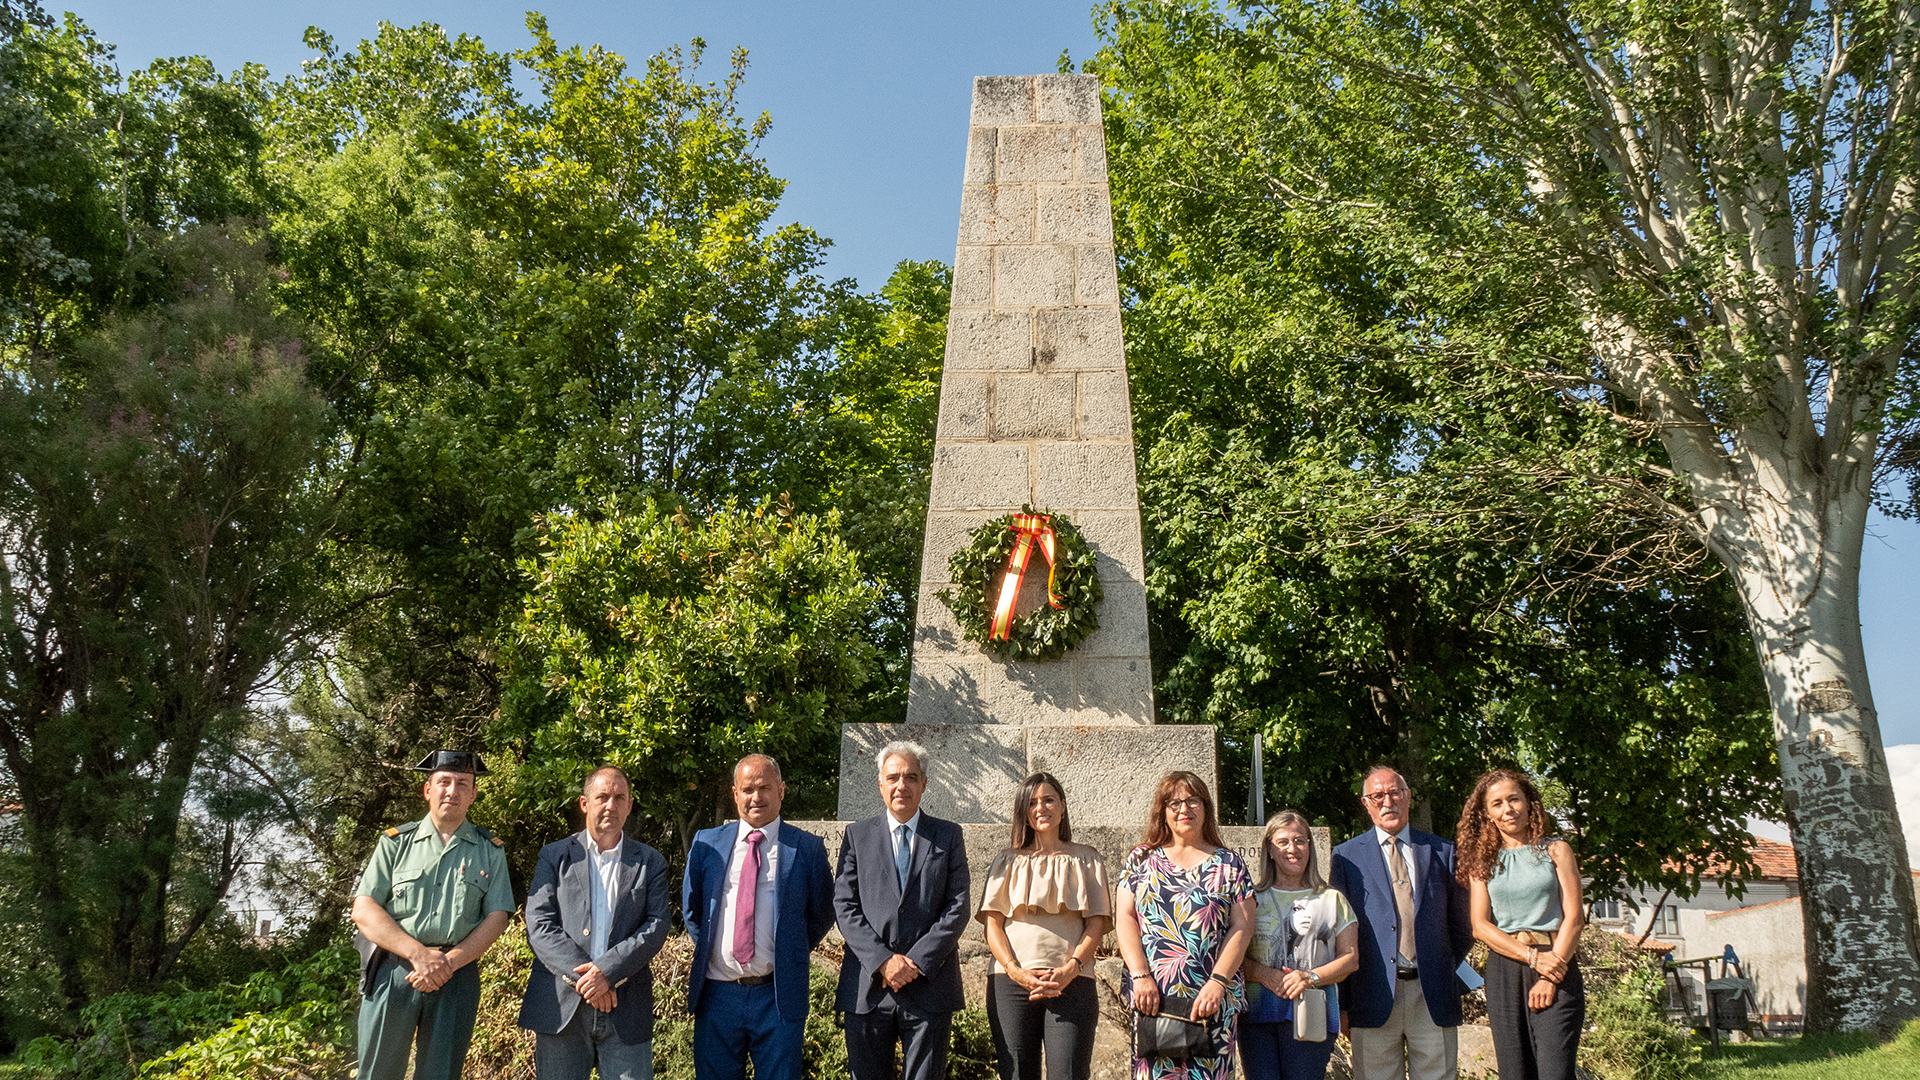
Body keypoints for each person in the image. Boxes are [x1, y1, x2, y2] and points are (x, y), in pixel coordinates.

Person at [351, 750, 515, 1080]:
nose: (451, 791)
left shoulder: (490, 850)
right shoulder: (395, 843)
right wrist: (418, 955)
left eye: (462, 784)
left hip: (457, 975)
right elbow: (364, 909)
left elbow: (497, 916)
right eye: (443, 782)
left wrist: (447, 963)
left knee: (441, 1074)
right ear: (428, 789)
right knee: (378, 1073)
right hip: (395, 972)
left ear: (473, 794)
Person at [684, 754, 836, 1080]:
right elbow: (693, 910)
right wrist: (715, 951)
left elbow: (822, 912)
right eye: (748, 789)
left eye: (765, 787)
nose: (757, 797)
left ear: (781, 790)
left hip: (777, 996)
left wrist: (788, 949)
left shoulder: (806, 849)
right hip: (717, 995)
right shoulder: (706, 843)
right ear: (735, 793)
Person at [518, 766, 672, 1080]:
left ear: (630, 806)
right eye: (602, 797)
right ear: (584, 803)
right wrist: (589, 980)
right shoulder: (554, 856)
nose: (610, 805)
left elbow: (656, 925)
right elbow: (539, 924)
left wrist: (607, 972)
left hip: (626, 1009)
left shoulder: (650, 861)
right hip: (561, 1010)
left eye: (619, 798)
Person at [835, 740, 972, 1080]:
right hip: (868, 986)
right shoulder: (857, 836)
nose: (901, 785)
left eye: (911, 777)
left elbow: (957, 906)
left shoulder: (948, 836)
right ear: (880, 783)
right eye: (893, 777)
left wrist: (915, 962)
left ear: (924, 784)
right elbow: (844, 904)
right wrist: (883, 960)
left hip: (930, 985)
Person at [1328, 766, 1473, 1080]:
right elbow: (1338, 934)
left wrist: (1440, 965)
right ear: (1365, 803)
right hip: (1372, 995)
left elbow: (1462, 926)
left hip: (1431, 993)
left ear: (1408, 797)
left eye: (1395, 793)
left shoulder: (1443, 852)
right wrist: (1341, 1003)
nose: (1387, 801)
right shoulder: (1344, 858)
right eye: (1377, 795)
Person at [1115, 771, 1254, 1080]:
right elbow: (1124, 917)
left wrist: (1218, 982)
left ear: (1206, 808)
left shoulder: (1230, 864)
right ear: (1162, 812)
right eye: (1174, 802)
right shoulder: (1141, 859)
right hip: (1154, 999)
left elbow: (1242, 927)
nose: (1184, 809)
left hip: (1211, 1002)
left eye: (1193, 800)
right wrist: (1140, 976)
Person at [977, 772, 1112, 1080]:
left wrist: (1071, 969)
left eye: (1049, 799)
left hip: (1071, 982)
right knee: (1016, 1074)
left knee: (1068, 1073)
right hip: (1010, 984)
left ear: (1062, 806)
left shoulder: (1087, 859)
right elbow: (993, 926)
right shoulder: (1006, 860)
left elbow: (1096, 925)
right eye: (1033, 802)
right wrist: (1015, 971)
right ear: (1023, 810)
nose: (1041, 807)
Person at [1457, 770, 1586, 1080]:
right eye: (1497, 804)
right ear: (1487, 814)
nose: (1508, 809)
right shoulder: (1481, 861)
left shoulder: (1557, 850)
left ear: (1529, 803)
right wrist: (1531, 958)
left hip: (1557, 962)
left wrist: (1549, 973)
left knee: (1555, 1072)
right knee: (1514, 1073)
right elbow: (1479, 925)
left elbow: (1575, 918)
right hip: (1505, 969)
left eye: (1514, 799)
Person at [1240, 810, 1359, 1080]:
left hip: (1312, 1014)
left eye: (1300, 841)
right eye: (1283, 842)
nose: (1292, 849)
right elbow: (1231, 953)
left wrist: (1310, 977)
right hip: (1257, 1016)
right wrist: (1264, 975)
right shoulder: (1250, 899)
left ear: (1310, 847)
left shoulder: (1332, 899)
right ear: (1269, 849)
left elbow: (1350, 958)